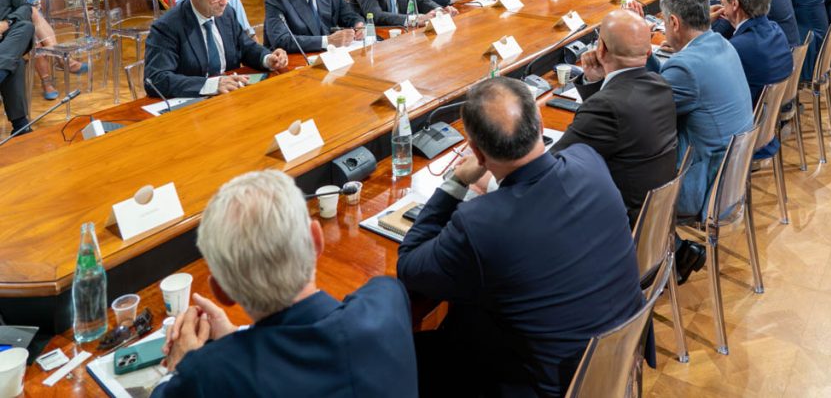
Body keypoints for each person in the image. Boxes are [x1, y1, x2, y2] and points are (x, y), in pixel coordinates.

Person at [398, 77, 642, 398]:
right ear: (540, 124)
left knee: (403, 354)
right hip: (615, 363)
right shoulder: (589, 162)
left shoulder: (480, 223)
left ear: (477, 153)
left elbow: (410, 264)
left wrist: (456, 181)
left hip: (542, 386)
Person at [153, 170, 417, 398]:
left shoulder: (207, 375)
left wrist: (178, 366)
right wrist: (236, 336)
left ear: (221, 291)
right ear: (316, 240)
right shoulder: (387, 300)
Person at [658, 0, 753, 283]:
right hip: (730, 177)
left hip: (701, 186)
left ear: (674, 22)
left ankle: (658, 260)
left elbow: (643, 115)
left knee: (624, 178)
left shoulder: (684, 67)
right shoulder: (722, 43)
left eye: (663, 22)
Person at [550, 10, 678, 225]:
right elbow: (617, 126)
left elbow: (551, 170)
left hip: (619, 228)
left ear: (600, 49)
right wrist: (597, 82)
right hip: (656, 222)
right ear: (648, 53)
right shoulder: (660, 85)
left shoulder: (606, 107)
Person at [144, 0, 288, 98]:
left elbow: (245, 47)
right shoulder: (168, 26)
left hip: (231, 95)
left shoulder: (227, 13)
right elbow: (156, 79)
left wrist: (268, 59)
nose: (224, 2)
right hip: (193, 105)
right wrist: (211, 85)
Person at [719, 0, 793, 110]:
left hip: (747, 124)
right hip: (769, 119)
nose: (721, 0)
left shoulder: (738, 48)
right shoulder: (775, 30)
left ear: (734, 3)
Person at [0, 0, 32, 134]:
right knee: (15, 62)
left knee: (26, 26)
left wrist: (6, 23)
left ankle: (21, 125)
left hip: (6, 39)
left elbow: (26, 7)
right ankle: (20, 124)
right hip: (7, 51)